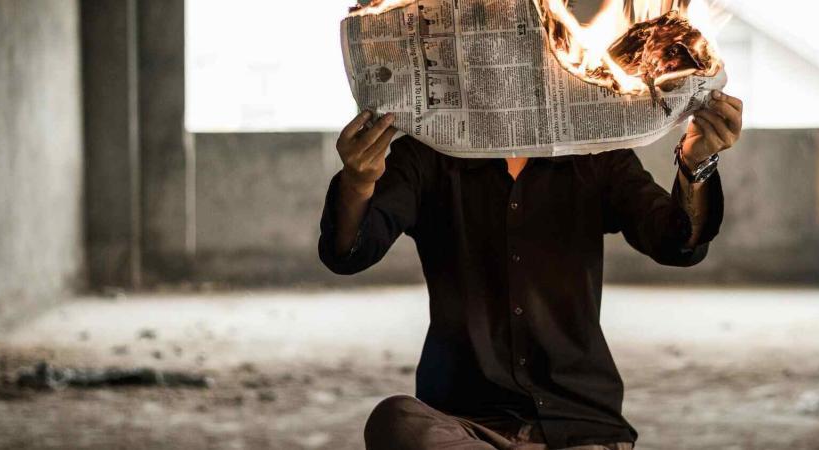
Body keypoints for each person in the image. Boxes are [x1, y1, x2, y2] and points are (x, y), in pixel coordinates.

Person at [318, 91, 743, 449]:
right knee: (395, 420)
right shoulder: (428, 156)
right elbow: (350, 253)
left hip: (579, 423)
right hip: (466, 424)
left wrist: (696, 161)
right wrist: (358, 181)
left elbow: (677, 243)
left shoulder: (594, 153)